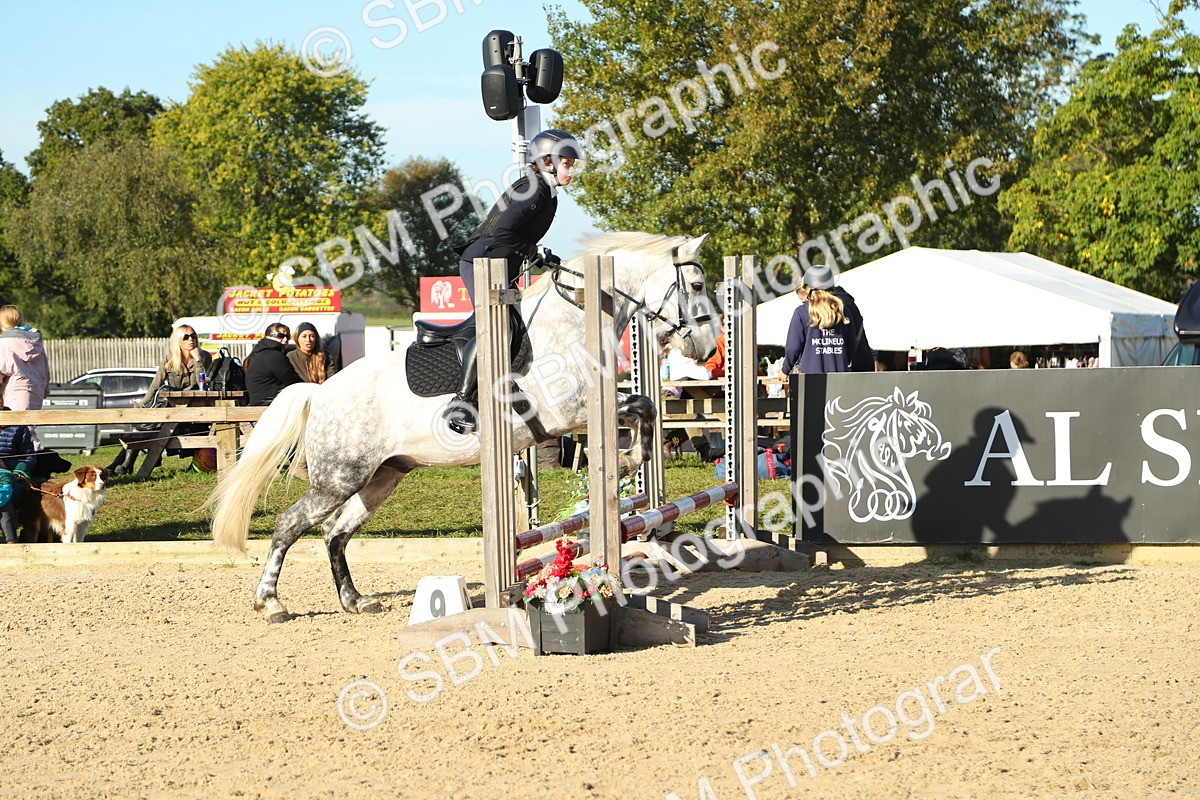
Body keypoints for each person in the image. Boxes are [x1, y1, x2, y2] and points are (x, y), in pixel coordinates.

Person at [445, 128, 583, 434]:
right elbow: (502, 233)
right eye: (567, 162)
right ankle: (461, 402)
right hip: (481, 262)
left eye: (572, 163)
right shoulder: (534, 190)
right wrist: (535, 251)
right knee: (497, 326)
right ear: (547, 161)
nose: (571, 168)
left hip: (500, 265)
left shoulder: (547, 193)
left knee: (517, 324)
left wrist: (545, 257)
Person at [109, 325, 214, 475]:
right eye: (186, 337)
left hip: (194, 411)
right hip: (172, 409)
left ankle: (125, 465)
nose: (191, 339)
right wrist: (143, 405)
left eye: (193, 336)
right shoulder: (169, 359)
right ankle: (124, 465)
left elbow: (203, 384)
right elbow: (155, 385)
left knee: (145, 427)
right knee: (144, 426)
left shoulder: (205, 357)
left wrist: (198, 360)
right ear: (178, 341)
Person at [779, 286, 856, 375]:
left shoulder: (802, 312)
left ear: (808, 290)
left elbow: (793, 347)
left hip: (811, 377)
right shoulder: (843, 311)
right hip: (839, 376)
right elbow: (852, 346)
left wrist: (785, 369)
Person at [0, 305, 50, 412]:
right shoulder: (35, 342)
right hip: (36, 391)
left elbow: (1, 368)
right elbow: (44, 369)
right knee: (28, 426)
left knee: (14, 426)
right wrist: (45, 388)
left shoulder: (4, 342)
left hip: (14, 393)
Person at [0, 411, 36, 543]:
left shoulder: (17, 425)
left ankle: (11, 542)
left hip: (12, 476)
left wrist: (13, 469)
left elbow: (29, 457)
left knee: (4, 493)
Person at [245, 323, 302, 406]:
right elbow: (293, 381)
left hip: (260, 402)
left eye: (288, 336)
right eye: (280, 335)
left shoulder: (258, 352)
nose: (285, 339)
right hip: (271, 405)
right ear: (268, 336)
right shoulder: (274, 356)